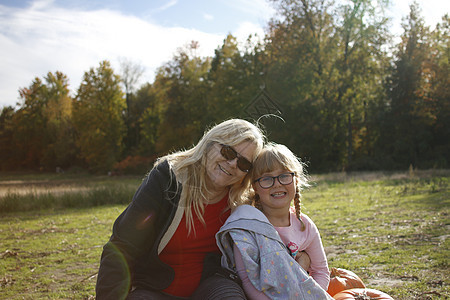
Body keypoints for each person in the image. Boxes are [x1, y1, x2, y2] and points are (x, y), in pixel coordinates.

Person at [95, 119, 265, 300]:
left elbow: (281, 218)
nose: (232, 164)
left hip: (212, 285)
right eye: (228, 151)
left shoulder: (242, 203)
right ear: (209, 144)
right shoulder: (168, 178)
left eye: (244, 164)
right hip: (154, 288)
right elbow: (123, 245)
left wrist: (299, 248)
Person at [216, 142, 331, 299]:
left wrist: (315, 296)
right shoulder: (248, 226)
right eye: (267, 179)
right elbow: (247, 280)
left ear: (296, 180)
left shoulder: (305, 226)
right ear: (255, 187)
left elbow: (321, 271)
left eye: (284, 176)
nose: (277, 184)